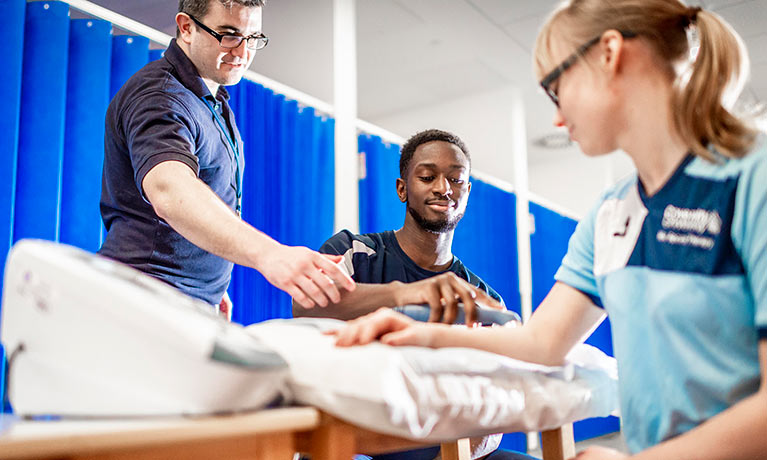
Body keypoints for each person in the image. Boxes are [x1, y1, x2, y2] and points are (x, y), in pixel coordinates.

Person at [332, 1, 767, 459]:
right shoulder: (611, 215)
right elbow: (540, 343)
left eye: (556, 89)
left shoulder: (751, 179)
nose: (558, 119)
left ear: (609, 53)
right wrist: (415, 332)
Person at [99, 0, 354, 316]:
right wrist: (271, 255)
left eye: (252, 38)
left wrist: (211, 286)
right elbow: (169, 189)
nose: (243, 53)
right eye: (229, 34)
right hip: (146, 293)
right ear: (186, 27)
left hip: (190, 296)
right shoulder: (160, 96)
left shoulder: (214, 101)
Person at [295, 129, 527, 460]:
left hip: (444, 450)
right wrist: (404, 294)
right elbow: (306, 304)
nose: (443, 188)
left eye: (456, 179)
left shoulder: (483, 301)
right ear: (402, 189)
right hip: (356, 439)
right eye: (428, 176)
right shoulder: (354, 252)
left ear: (467, 191)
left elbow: (495, 411)